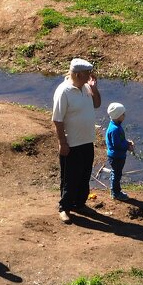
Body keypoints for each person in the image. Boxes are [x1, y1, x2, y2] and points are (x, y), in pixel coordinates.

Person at [52, 58, 102, 223]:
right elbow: (57, 120)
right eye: (88, 73)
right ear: (79, 74)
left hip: (87, 141)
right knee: (69, 178)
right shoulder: (64, 91)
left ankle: (79, 204)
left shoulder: (86, 87)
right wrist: (63, 142)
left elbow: (97, 104)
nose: (91, 76)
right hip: (72, 144)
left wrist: (95, 89)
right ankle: (64, 208)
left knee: (84, 176)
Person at [105, 102, 135, 200]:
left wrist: (127, 142)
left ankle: (114, 190)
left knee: (116, 173)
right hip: (116, 156)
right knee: (117, 174)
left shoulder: (114, 125)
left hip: (116, 155)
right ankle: (115, 193)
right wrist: (127, 146)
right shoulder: (115, 130)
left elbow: (120, 141)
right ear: (118, 116)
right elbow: (117, 144)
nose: (124, 115)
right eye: (123, 114)